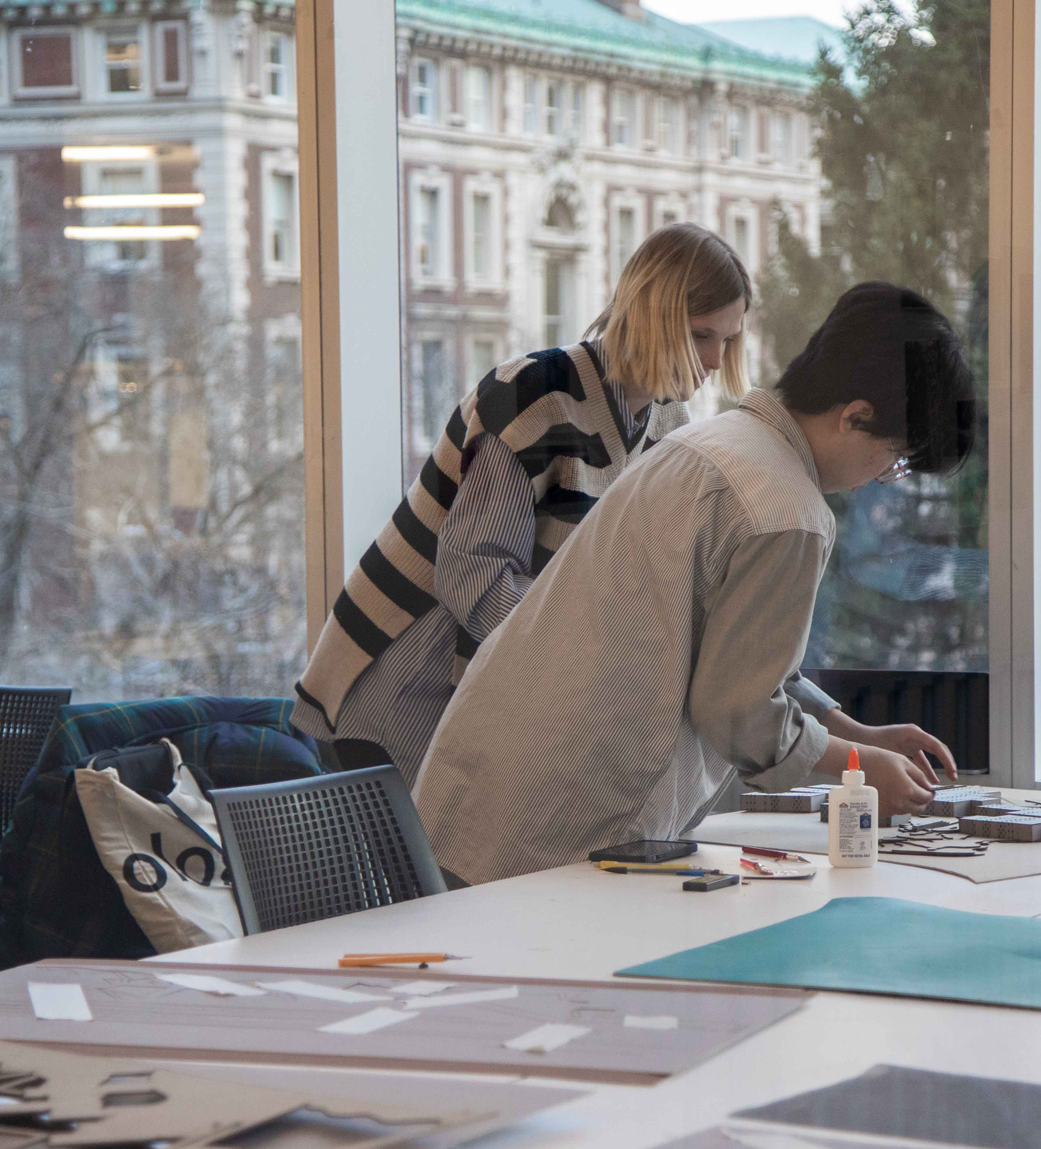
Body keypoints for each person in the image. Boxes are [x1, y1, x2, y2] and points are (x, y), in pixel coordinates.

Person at [415, 282, 977, 885]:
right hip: (556, 820)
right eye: (894, 460)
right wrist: (860, 767)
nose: (882, 480)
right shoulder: (787, 512)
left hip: (486, 777)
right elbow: (738, 711)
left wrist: (856, 734)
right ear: (854, 417)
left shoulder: (712, 443)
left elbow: (737, 663)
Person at [293, 222, 821, 783]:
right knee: (422, 871)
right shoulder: (532, 396)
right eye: (700, 336)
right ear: (651, 316)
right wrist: (595, 657)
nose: (716, 359)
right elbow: (476, 580)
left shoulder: (667, 424)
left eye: (729, 339)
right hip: (396, 680)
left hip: (470, 686)